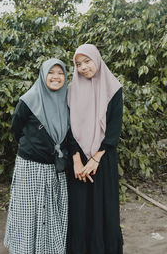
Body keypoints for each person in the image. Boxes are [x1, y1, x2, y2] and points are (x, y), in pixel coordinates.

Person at [4, 58, 70, 254]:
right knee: (29, 212)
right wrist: (34, 147)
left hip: (55, 168)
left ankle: (49, 249)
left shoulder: (67, 101)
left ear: (65, 77)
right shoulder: (29, 99)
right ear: (43, 75)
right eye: (51, 72)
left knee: (51, 211)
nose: (56, 77)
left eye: (60, 73)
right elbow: (16, 128)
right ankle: (25, 248)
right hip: (31, 167)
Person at [67, 44, 123, 254]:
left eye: (87, 61)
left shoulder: (114, 89)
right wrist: (76, 161)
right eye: (78, 64)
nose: (83, 67)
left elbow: (114, 129)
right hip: (78, 163)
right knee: (80, 211)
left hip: (103, 158)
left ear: (97, 60)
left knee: (104, 209)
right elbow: (68, 128)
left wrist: (96, 158)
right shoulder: (71, 91)